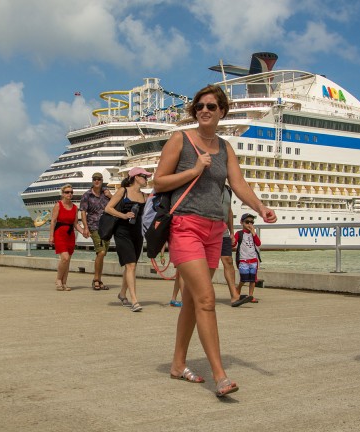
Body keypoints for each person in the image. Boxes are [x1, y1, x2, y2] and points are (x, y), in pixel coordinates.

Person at [153, 85, 277, 397]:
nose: (204, 110)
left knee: (195, 301)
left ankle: (178, 364)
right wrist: (194, 169)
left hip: (214, 230)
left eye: (211, 106)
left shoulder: (224, 148)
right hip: (185, 227)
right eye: (200, 106)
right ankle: (220, 375)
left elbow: (238, 183)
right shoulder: (180, 140)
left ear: (222, 111)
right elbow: (158, 182)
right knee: (207, 300)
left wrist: (260, 207)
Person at [105, 167, 150, 312]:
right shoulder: (123, 191)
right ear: (136, 177)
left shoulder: (144, 196)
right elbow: (108, 208)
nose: (147, 179)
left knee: (131, 266)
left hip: (137, 233)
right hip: (122, 231)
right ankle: (134, 300)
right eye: (144, 176)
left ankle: (122, 293)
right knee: (130, 265)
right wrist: (123, 215)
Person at [79, 172, 112, 290]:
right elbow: (83, 211)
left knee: (101, 254)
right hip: (94, 226)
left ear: (102, 180)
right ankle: (96, 279)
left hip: (107, 227)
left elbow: (115, 205)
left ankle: (98, 279)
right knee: (101, 252)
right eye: (94, 179)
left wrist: (111, 196)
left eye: (99, 179)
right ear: (92, 181)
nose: (97, 181)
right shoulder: (87, 195)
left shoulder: (106, 193)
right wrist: (85, 227)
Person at [221, 185, 251, 307]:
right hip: (207, 230)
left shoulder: (227, 189)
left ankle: (234, 295)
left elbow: (229, 210)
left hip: (223, 232)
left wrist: (232, 232)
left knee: (228, 261)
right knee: (205, 265)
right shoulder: (206, 185)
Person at [49, 184, 83, 291]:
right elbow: (53, 221)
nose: (70, 194)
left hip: (70, 235)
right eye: (67, 192)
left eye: (71, 192)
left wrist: (83, 232)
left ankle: (64, 283)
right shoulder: (58, 205)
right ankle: (58, 279)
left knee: (68, 261)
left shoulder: (75, 208)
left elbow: (76, 224)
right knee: (65, 258)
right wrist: (51, 236)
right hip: (59, 233)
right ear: (63, 194)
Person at [234, 213, 262, 303]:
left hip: (253, 259)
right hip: (243, 259)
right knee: (244, 278)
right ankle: (238, 289)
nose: (249, 224)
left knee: (253, 279)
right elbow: (234, 244)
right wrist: (231, 240)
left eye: (251, 222)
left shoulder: (253, 234)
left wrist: (254, 233)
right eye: (247, 222)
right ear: (241, 222)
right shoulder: (239, 233)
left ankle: (251, 295)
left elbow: (258, 243)